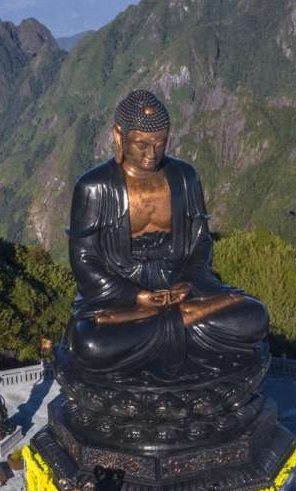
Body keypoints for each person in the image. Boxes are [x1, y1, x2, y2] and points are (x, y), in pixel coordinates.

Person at [60, 90, 268, 382]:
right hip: (122, 297)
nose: (151, 154)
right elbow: (84, 261)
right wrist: (136, 295)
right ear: (119, 137)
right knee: (90, 344)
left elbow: (200, 243)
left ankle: (172, 323)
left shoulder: (184, 176)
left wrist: (188, 282)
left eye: (160, 143)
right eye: (141, 144)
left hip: (179, 289)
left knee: (253, 316)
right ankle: (184, 320)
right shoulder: (94, 187)